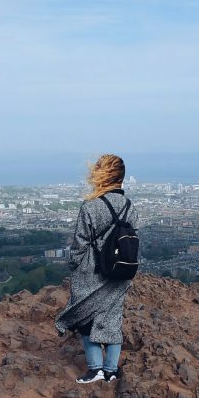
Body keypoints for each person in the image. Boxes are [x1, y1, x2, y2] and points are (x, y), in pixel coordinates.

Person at [55, 154, 138, 384]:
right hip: (120, 270)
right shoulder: (130, 208)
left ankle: (96, 369)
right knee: (113, 318)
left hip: (91, 271)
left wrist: (74, 265)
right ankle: (111, 370)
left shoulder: (90, 207)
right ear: (121, 177)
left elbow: (80, 244)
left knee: (85, 318)